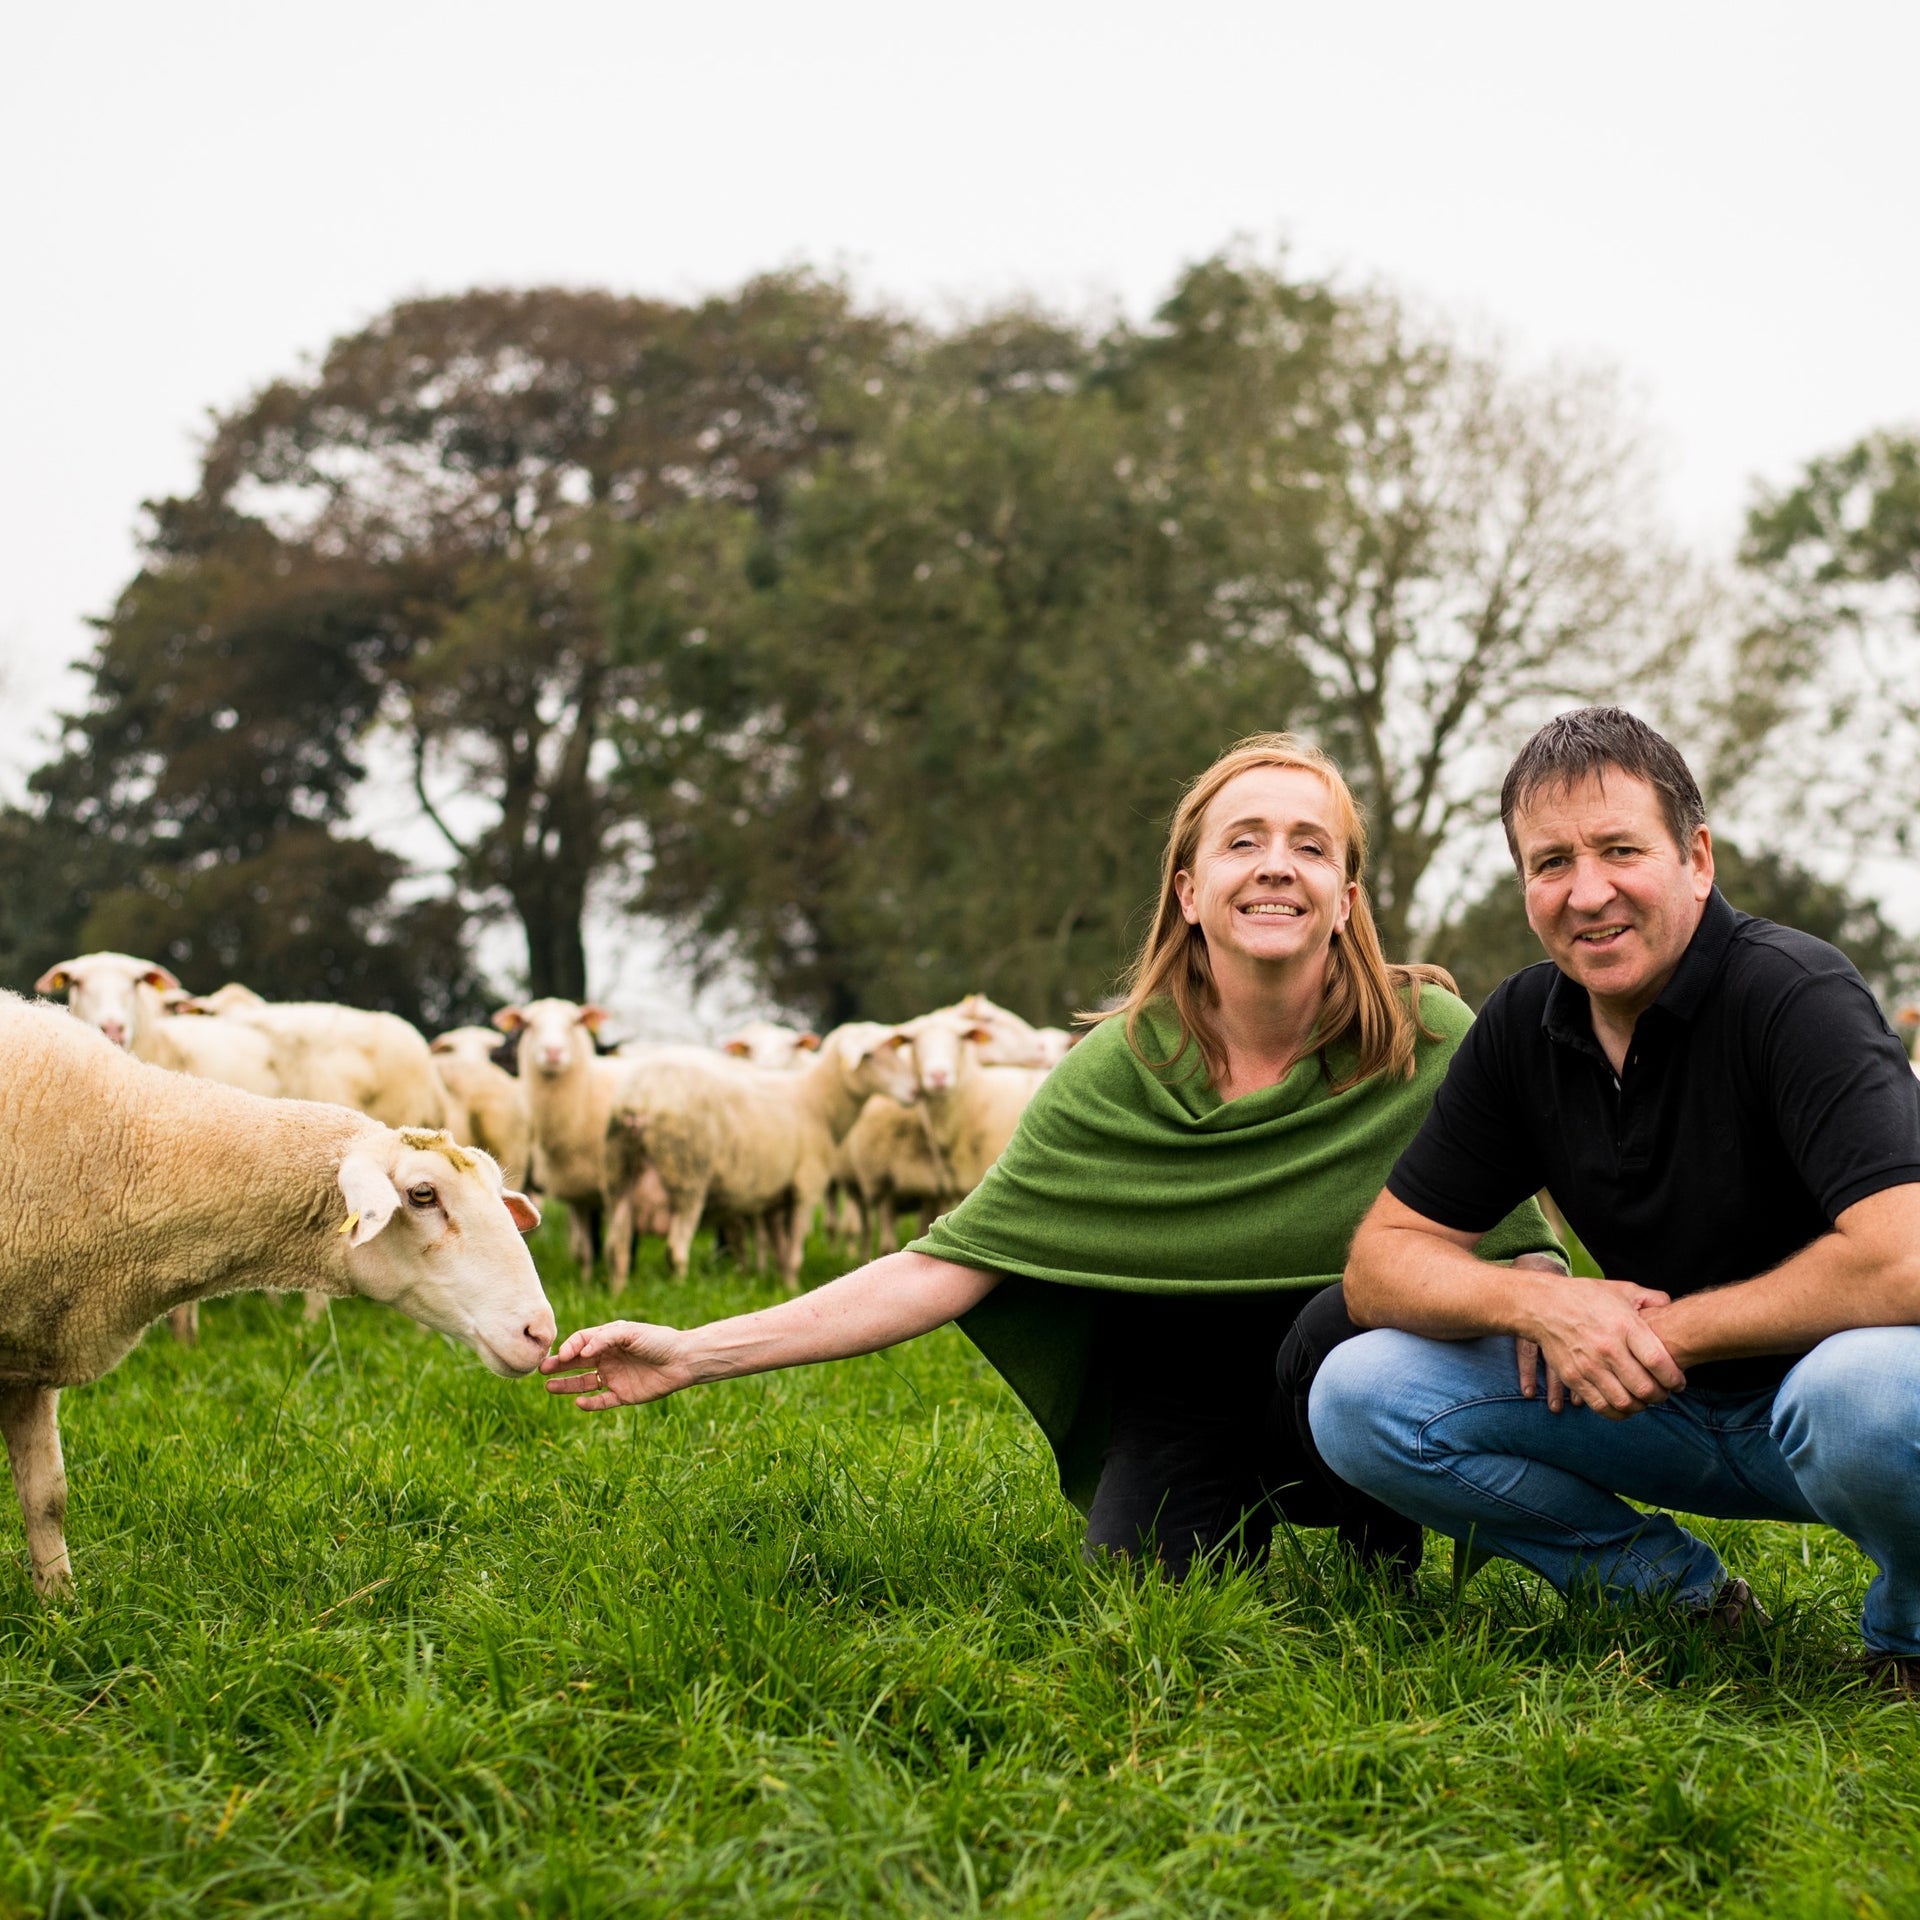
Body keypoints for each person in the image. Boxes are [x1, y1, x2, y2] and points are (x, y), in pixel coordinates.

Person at [543, 734, 1564, 1578]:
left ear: (1344, 895)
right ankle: (1219, 1506)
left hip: (1352, 1356)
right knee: (1142, 1573)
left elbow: (1517, 1234)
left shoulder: (1423, 1033)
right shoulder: (1118, 1066)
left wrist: (1541, 1319)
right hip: (1184, 1375)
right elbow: (943, 1265)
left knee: (1350, 1323)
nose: (1274, 864)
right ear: (1190, 890)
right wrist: (696, 1351)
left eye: (1309, 845)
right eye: (1240, 841)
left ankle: (1380, 1519)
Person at [1310, 707, 1920, 1686]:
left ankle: (1910, 1640)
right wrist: (1543, 1303)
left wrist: (1669, 1335)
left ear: (1697, 859)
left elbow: (1906, 1259)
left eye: (1619, 850)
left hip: (1821, 1414)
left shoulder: (1795, 994)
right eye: (1550, 863)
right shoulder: (1521, 1022)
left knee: (1869, 1392)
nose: (1587, 893)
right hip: (1648, 1408)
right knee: (1358, 1393)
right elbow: (1381, 1263)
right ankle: (1672, 1599)